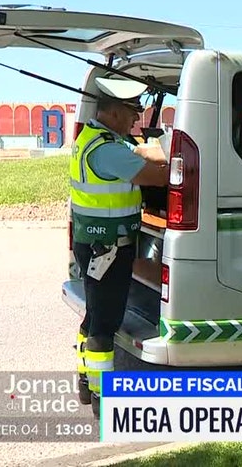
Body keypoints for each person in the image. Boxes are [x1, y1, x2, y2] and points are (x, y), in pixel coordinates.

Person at [71, 77, 170, 416]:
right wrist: (177, 160)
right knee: (105, 325)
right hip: (109, 248)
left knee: (93, 316)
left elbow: (137, 150)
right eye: (131, 113)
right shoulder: (108, 151)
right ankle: (103, 399)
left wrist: (154, 148)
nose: (135, 120)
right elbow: (157, 177)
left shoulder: (94, 139)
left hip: (94, 242)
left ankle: (86, 383)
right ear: (113, 113)